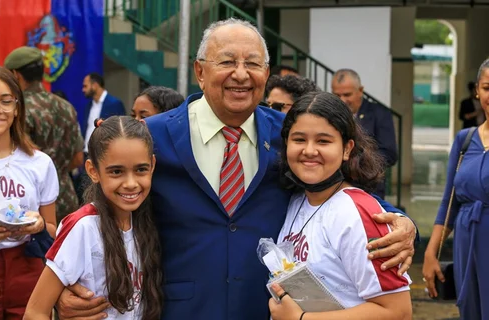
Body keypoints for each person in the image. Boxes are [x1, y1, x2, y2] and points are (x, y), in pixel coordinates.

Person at [55, 18, 417, 320]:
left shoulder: (290, 136)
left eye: (253, 64)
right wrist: (63, 289)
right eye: (227, 62)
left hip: (267, 310)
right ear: (199, 71)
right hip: (175, 310)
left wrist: (404, 223)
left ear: (267, 72)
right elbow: (101, 211)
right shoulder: (155, 135)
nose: (241, 75)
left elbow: (346, 192)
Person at [268, 91, 412, 320]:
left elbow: (398, 311)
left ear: (346, 149)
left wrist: (301, 319)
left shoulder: (356, 212)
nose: (309, 150)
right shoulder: (298, 201)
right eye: (299, 139)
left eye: (323, 141)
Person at [24, 116, 162, 320]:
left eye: (140, 169)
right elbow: (35, 312)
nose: (131, 183)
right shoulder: (82, 226)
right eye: (116, 172)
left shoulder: (146, 222)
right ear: (93, 171)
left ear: (152, 165)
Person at [0, 65, 58, 319]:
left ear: (17, 109)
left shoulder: (39, 163)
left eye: (6, 102)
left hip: (27, 266)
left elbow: (51, 228)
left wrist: (37, 224)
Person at [422, 58, 489, 320]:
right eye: (487, 87)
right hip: (466, 242)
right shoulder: (465, 140)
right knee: (470, 309)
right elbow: (449, 202)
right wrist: (431, 252)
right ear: (477, 91)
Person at [4, 46, 84, 223]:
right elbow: (78, 158)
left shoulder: (18, 110)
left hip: (31, 203)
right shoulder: (66, 107)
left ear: (16, 75)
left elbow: (13, 161)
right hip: (66, 199)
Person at [331, 69, 398, 199]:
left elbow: (390, 154)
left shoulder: (380, 114)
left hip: (368, 188)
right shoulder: (329, 114)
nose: (342, 100)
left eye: (347, 94)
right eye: (337, 95)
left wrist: (356, 163)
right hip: (333, 188)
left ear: (360, 91)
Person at [81, 73, 126, 153]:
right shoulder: (89, 106)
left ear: (94, 85)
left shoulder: (115, 104)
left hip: (104, 153)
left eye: (85, 86)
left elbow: (121, 130)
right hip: (87, 152)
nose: (83, 90)